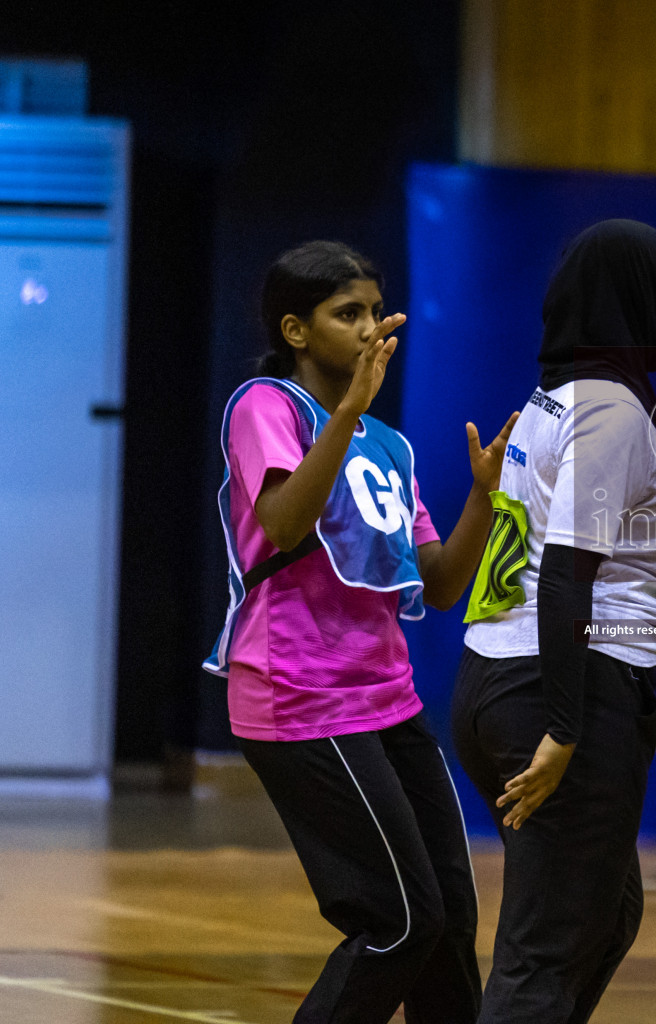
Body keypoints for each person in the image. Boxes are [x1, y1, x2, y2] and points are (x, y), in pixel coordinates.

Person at [205, 241, 516, 1023]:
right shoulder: (264, 406)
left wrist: (484, 499)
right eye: (349, 313)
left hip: (388, 699)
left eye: (377, 311)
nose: (372, 327)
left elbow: (441, 584)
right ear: (297, 330)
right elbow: (282, 522)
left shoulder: (388, 443)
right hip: (300, 696)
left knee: (449, 918)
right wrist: (345, 414)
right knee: (398, 923)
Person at [453, 220, 656, 1023]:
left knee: (607, 913)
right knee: (544, 953)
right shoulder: (610, 407)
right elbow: (566, 573)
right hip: (562, 690)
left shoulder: (553, 395)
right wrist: (566, 726)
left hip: (493, 681)